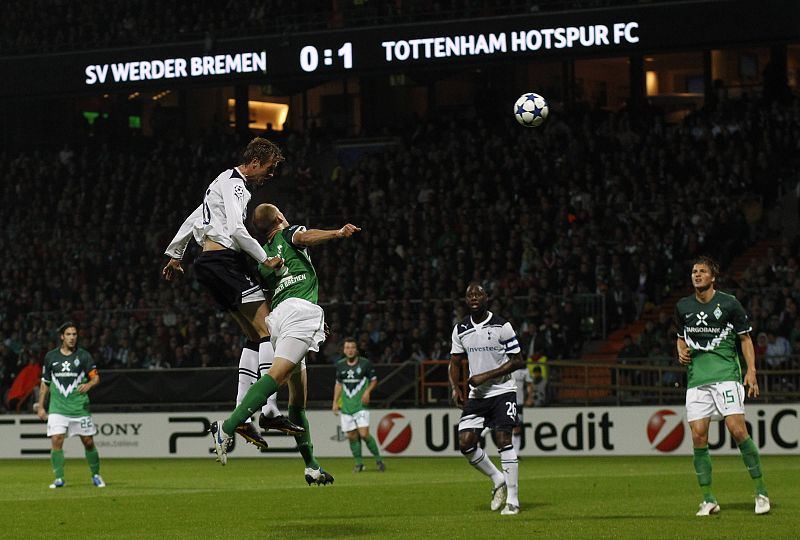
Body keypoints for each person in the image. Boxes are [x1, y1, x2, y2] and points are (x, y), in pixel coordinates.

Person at [161, 137, 302, 451]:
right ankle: (268, 410)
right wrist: (264, 258)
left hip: (207, 264)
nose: (270, 174)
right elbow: (238, 230)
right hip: (225, 261)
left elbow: (194, 218)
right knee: (271, 332)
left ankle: (241, 416)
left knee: (254, 336)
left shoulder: (219, 183)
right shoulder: (237, 185)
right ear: (253, 163)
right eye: (269, 167)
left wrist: (176, 254)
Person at [208, 203, 360, 486]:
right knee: (276, 376)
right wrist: (337, 233)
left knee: (298, 401)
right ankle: (227, 427)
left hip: (280, 318)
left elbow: (272, 288)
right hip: (299, 313)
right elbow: (305, 237)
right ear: (279, 218)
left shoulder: (264, 258)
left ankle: (311, 466)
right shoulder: (289, 234)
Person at [675, 256, 770, 516]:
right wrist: (681, 351)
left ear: (712, 277)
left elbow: (745, 339)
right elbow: (680, 338)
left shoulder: (729, 303)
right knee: (697, 436)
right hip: (697, 379)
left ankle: (761, 492)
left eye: (702, 271)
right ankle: (708, 499)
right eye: (694, 271)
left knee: (737, 431)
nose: (697, 275)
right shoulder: (683, 306)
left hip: (726, 373)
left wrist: (751, 371)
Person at [449, 282, 525, 516]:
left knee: (503, 439)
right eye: (470, 294)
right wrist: (455, 387)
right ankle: (497, 477)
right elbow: (455, 361)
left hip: (503, 391)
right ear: (466, 300)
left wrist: (485, 376)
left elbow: (518, 360)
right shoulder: (460, 329)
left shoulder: (502, 326)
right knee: (465, 443)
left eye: (478, 294)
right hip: (477, 395)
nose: (473, 297)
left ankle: (513, 500)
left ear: (486, 298)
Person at [36, 322, 105, 489]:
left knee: (88, 442)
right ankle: (59, 478)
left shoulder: (84, 356)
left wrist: (89, 385)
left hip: (79, 406)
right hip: (58, 407)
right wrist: (40, 405)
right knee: (56, 439)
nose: (72, 337)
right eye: (68, 334)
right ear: (62, 336)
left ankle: (96, 475)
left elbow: (96, 377)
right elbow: (45, 382)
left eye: (74, 334)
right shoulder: (51, 357)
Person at [332, 337, 385, 472]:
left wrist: (367, 392)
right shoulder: (340, 365)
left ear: (356, 350)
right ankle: (359, 463)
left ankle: (379, 460)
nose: (350, 350)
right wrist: (335, 402)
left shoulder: (365, 364)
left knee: (364, 434)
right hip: (346, 406)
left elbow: (374, 380)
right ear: (344, 350)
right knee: (351, 436)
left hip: (361, 405)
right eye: (347, 348)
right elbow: (338, 385)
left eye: (352, 348)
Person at [509, 362, 533, 454]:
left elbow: (529, 385)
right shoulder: (507, 367)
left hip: (519, 402)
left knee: (517, 427)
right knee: (507, 425)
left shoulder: (524, 371)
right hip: (507, 401)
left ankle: (516, 453)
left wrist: (530, 398)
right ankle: (509, 452)